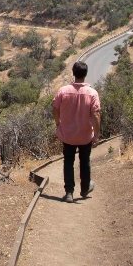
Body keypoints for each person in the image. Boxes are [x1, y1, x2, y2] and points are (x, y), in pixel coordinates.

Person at [52, 61, 101, 203]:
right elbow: (96, 114)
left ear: (73, 73)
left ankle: (69, 192)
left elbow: (55, 108)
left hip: (67, 134)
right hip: (85, 134)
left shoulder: (63, 91)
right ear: (85, 74)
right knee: (84, 162)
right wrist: (96, 136)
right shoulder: (92, 93)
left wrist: (58, 123)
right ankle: (85, 189)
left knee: (68, 162)